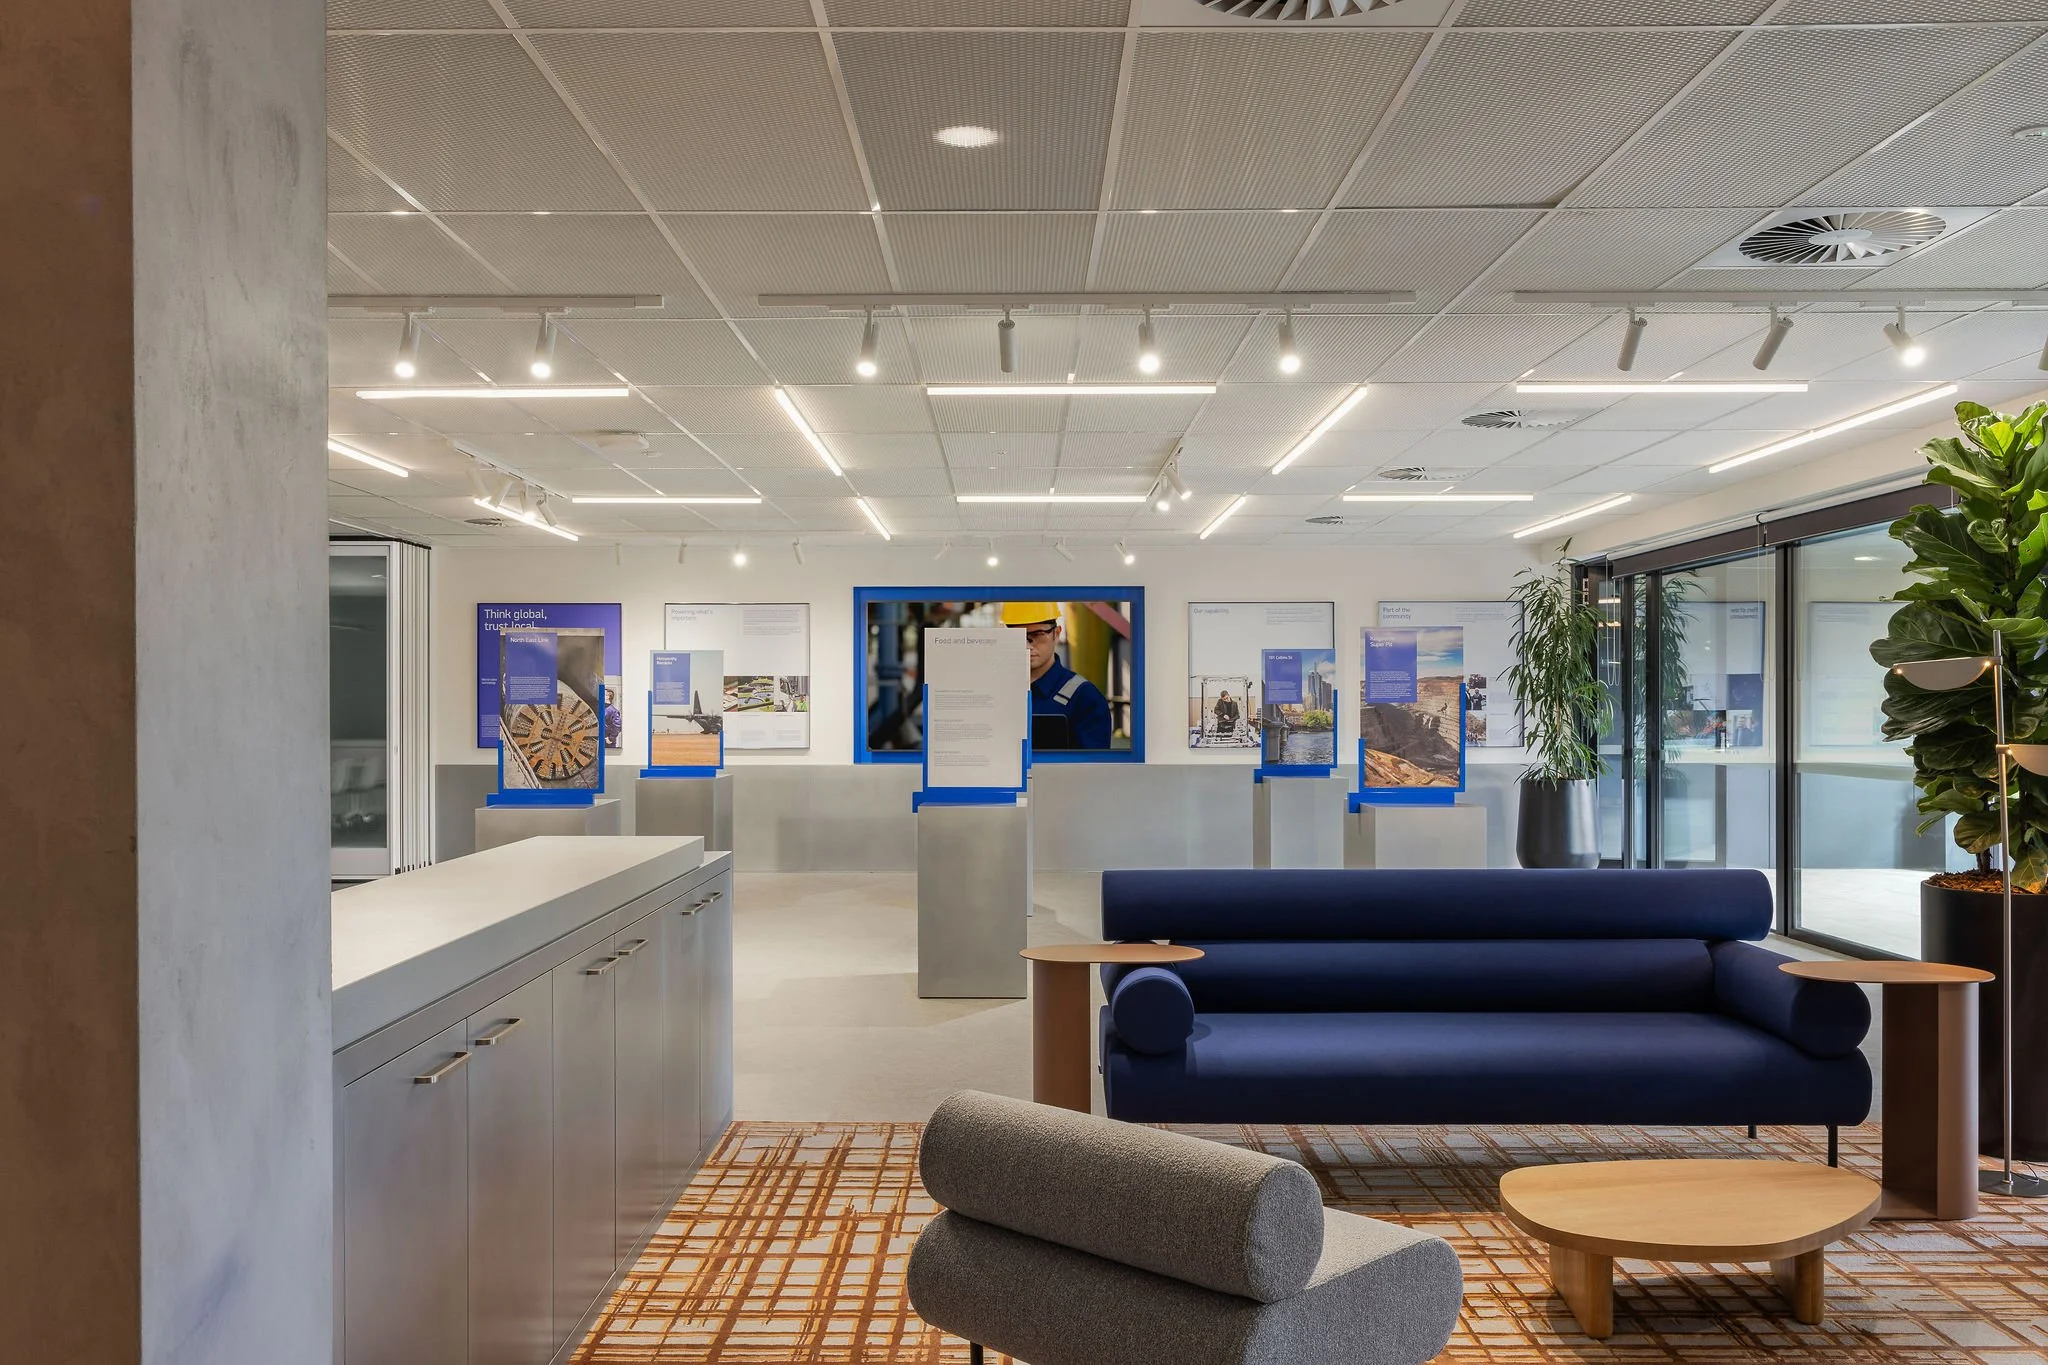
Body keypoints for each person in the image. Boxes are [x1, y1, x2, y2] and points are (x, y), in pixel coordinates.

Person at [1001, 601, 1111, 749]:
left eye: (1037, 635)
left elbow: (1093, 763)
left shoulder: (1085, 698)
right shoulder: (997, 692)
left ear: (1057, 633)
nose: (1027, 646)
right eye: (1017, 636)